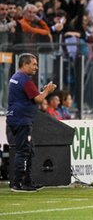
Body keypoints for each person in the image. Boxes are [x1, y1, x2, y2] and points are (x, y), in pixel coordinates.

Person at [6, 53, 56, 192]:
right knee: (24, 151)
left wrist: (42, 92)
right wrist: (47, 91)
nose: (36, 67)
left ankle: (26, 181)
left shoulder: (15, 78)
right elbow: (38, 99)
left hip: (15, 118)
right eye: (33, 64)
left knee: (27, 150)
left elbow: (31, 96)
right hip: (22, 120)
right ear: (25, 64)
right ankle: (19, 183)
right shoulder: (25, 79)